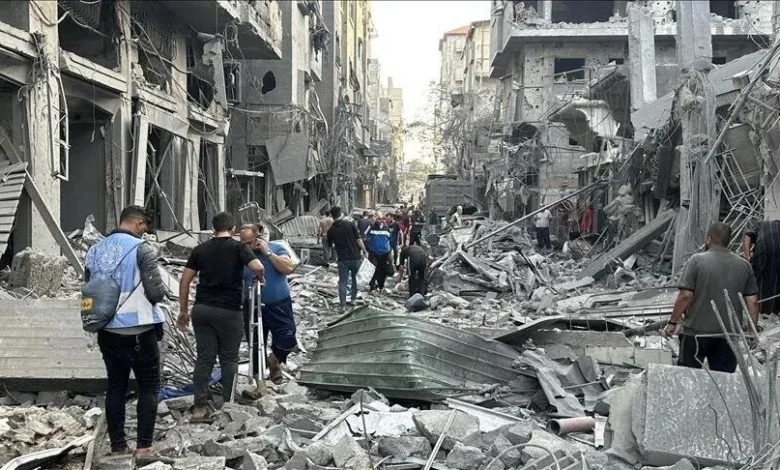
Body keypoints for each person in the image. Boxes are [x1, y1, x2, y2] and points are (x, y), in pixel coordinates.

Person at [84, 205, 166, 457]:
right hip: (140, 330)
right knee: (149, 386)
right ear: (139, 224)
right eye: (145, 227)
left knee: (116, 387)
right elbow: (156, 292)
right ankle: (144, 447)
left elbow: (89, 286)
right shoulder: (142, 249)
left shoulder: (94, 249)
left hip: (108, 331)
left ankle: (118, 446)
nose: (145, 232)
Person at [178, 212, 265, 421]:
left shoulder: (200, 249)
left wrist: (183, 310)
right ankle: (228, 403)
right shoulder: (238, 248)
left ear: (213, 229)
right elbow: (258, 266)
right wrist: (259, 277)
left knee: (204, 358)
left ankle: (199, 407)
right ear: (233, 229)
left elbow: (184, 281)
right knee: (229, 358)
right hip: (229, 311)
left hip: (203, 310)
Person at [662, 222, 759, 373]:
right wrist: (752, 331)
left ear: (708, 239)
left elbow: (685, 296)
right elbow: (752, 302)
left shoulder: (696, 260)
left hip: (695, 333)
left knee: (688, 378)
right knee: (723, 381)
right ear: (728, 241)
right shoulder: (745, 265)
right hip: (728, 336)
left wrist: (672, 322)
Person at [239, 223, 296, 392]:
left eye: (250, 242)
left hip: (279, 304)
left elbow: (288, 268)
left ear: (258, 238)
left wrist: (268, 253)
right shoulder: (241, 255)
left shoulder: (276, 248)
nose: (247, 247)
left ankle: (274, 360)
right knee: (255, 343)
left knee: (288, 338)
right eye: (243, 244)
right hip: (253, 305)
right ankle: (260, 383)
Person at [328, 206, 369, 312]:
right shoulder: (350, 224)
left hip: (342, 259)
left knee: (343, 282)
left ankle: (342, 305)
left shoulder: (331, 230)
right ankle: (353, 300)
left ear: (332, 216)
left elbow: (330, 245)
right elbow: (358, 239)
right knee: (355, 279)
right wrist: (364, 250)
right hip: (355, 257)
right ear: (341, 214)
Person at [742, 220, 780, 314]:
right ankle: (772, 310)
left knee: (755, 277)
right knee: (775, 279)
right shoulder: (773, 226)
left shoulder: (759, 224)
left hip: (763, 246)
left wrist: (747, 257)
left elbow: (746, 237)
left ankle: (757, 309)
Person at [366, 214, 393, 292]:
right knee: (372, 269)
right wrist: (368, 248)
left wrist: (389, 251)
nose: (379, 220)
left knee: (382, 270)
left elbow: (389, 239)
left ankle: (381, 286)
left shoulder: (386, 228)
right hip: (373, 252)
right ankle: (372, 286)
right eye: (378, 218)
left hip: (384, 253)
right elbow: (365, 237)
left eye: (381, 218)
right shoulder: (371, 226)